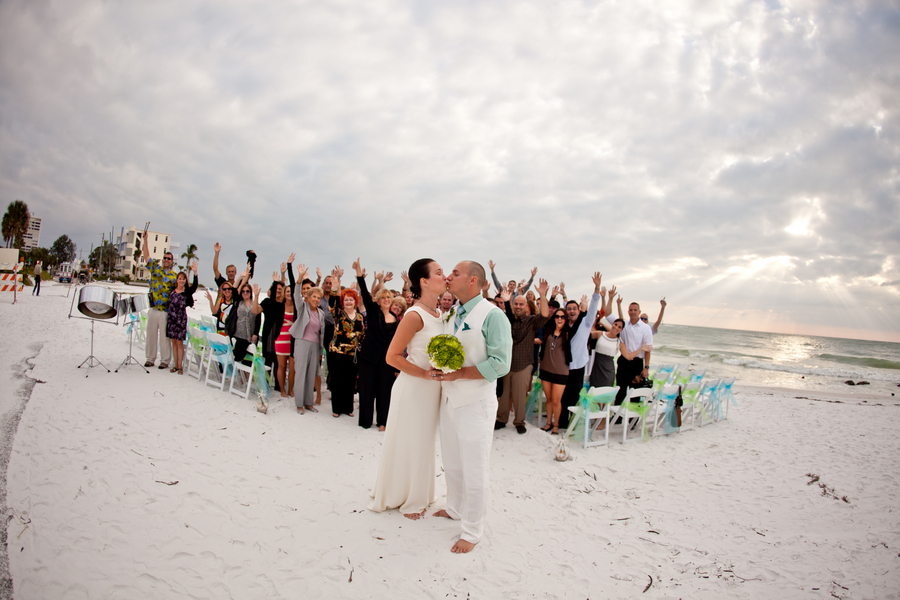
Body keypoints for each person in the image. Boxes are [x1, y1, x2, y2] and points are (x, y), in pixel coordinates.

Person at [432, 260, 512, 554]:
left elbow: (501, 363)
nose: (450, 277)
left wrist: (461, 374)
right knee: (452, 460)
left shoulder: (493, 315)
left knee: (474, 467)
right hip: (450, 398)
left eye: (455, 273)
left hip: (476, 402)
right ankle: (454, 507)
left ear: (474, 281)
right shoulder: (453, 310)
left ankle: (472, 530)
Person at [369, 258, 446, 519]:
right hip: (413, 387)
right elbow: (393, 357)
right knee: (408, 440)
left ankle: (420, 491)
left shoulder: (440, 313)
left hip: (431, 390)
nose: (444, 275)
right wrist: (424, 373)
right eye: (438, 272)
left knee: (423, 441)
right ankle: (404, 496)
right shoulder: (414, 315)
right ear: (423, 281)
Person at [494, 279, 551, 434]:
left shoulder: (532, 321)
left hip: (523, 364)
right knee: (504, 396)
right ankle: (501, 419)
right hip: (507, 365)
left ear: (526, 306)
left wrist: (543, 295)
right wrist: (505, 301)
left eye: (521, 304)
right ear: (512, 305)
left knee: (520, 396)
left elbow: (545, 315)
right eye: (516, 304)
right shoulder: (506, 320)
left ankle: (519, 421)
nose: (518, 306)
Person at [354, 258, 399, 431]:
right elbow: (365, 292)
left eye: (389, 297)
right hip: (369, 357)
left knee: (384, 391)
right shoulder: (373, 312)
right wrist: (359, 272)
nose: (387, 299)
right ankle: (365, 420)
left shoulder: (395, 318)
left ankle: (382, 421)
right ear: (378, 300)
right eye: (384, 297)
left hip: (386, 360)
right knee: (366, 389)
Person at [558, 275, 603, 428]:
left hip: (578, 366)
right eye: (569, 309)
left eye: (574, 309)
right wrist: (563, 294)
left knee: (575, 396)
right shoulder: (564, 324)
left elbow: (593, 307)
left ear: (578, 310)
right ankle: (562, 423)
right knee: (562, 396)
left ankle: (573, 423)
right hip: (563, 365)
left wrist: (596, 289)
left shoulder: (585, 322)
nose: (571, 311)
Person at [289, 263, 329, 414]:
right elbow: (296, 294)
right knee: (301, 374)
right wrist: (299, 277)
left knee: (311, 375)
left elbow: (321, 333)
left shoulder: (321, 313)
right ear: (309, 297)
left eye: (318, 298)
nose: (316, 300)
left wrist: (320, 350)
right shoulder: (302, 307)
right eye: (314, 297)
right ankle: (299, 404)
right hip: (302, 343)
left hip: (314, 346)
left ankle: (308, 403)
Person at [327, 269, 365, 418]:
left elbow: (362, 335)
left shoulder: (360, 317)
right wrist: (337, 286)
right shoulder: (338, 314)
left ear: (355, 301)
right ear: (343, 302)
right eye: (346, 299)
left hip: (352, 355)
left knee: (350, 382)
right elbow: (332, 302)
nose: (349, 302)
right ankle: (336, 408)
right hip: (337, 353)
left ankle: (348, 408)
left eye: (351, 299)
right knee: (337, 380)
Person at [142, 229, 177, 369]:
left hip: (165, 310)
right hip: (153, 308)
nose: (166, 260)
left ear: (172, 261)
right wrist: (145, 240)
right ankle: (150, 358)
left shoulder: (174, 276)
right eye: (165, 258)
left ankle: (165, 360)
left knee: (164, 337)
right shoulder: (156, 270)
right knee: (151, 334)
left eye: (169, 258)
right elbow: (146, 257)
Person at [615, 302, 654, 404]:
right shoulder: (624, 326)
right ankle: (617, 419)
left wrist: (646, 367)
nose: (633, 312)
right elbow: (613, 321)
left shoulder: (646, 328)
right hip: (624, 362)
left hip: (637, 364)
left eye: (635, 310)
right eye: (631, 310)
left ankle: (633, 419)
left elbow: (648, 349)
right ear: (628, 312)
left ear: (639, 312)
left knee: (635, 394)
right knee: (620, 392)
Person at [165, 262, 198, 375]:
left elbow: (194, 287)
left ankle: (180, 367)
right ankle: (175, 365)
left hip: (181, 320)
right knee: (173, 343)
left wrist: (195, 273)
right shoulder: (172, 292)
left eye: (183, 279)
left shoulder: (186, 292)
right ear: (177, 280)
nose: (181, 280)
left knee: (180, 344)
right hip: (171, 320)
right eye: (180, 278)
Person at [226, 281, 262, 364]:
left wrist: (255, 334)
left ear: (250, 292)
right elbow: (234, 290)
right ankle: (237, 372)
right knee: (238, 357)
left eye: (247, 291)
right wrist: (243, 276)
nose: (245, 293)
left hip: (251, 335)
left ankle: (245, 376)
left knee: (248, 360)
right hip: (238, 334)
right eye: (243, 291)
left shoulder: (255, 305)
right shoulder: (238, 303)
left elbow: (258, 321)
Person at [589, 318, 624, 387]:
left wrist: (641, 348)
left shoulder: (619, 341)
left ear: (621, 330)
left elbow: (628, 356)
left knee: (606, 393)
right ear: (612, 324)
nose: (616, 327)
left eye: (619, 327)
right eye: (615, 324)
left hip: (608, 372)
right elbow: (586, 335)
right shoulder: (600, 334)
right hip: (596, 369)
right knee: (593, 393)